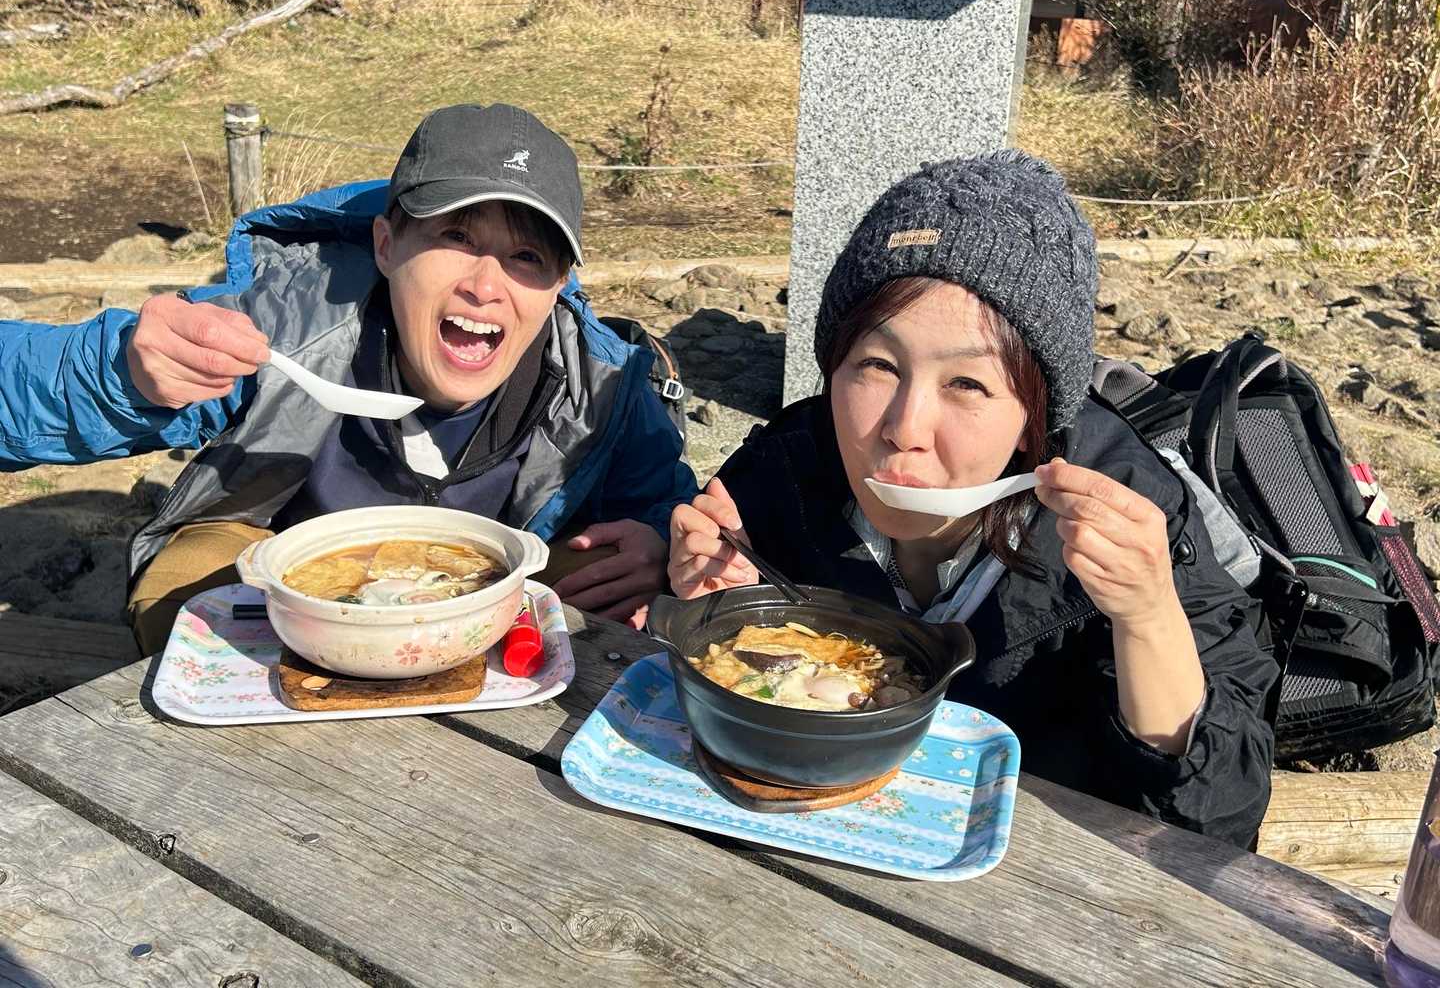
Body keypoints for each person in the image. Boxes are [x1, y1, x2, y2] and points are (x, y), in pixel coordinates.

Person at [668, 151, 1278, 848]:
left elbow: (1219, 819)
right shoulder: (785, 470)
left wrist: (1146, 616)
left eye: (967, 384)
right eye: (876, 365)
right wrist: (708, 593)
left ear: (1034, 414)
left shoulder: (1130, 515)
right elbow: (705, 643)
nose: (903, 428)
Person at [0, 103, 697, 650]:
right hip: (277, 566)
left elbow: (670, 506)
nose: (486, 287)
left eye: (527, 258)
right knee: (189, 592)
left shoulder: (603, 383)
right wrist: (121, 372)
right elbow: (18, 393)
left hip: (487, 591)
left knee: (608, 582)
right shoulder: (283, 321)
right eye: (456, 237)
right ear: (387, 245)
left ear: (558, 284)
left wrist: (659, 539)